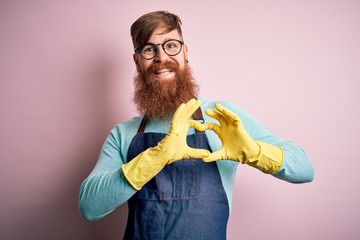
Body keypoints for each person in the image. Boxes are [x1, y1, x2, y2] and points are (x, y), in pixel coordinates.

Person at [79, 10, 314, 239]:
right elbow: (89, 207)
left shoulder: (220, 118)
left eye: (171, 45)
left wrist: (254, 153)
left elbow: (304, 169)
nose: (161, 57)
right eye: (149, 49)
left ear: (185, 52)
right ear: (137, 60)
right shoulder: (123, 134)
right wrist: (156, 156)